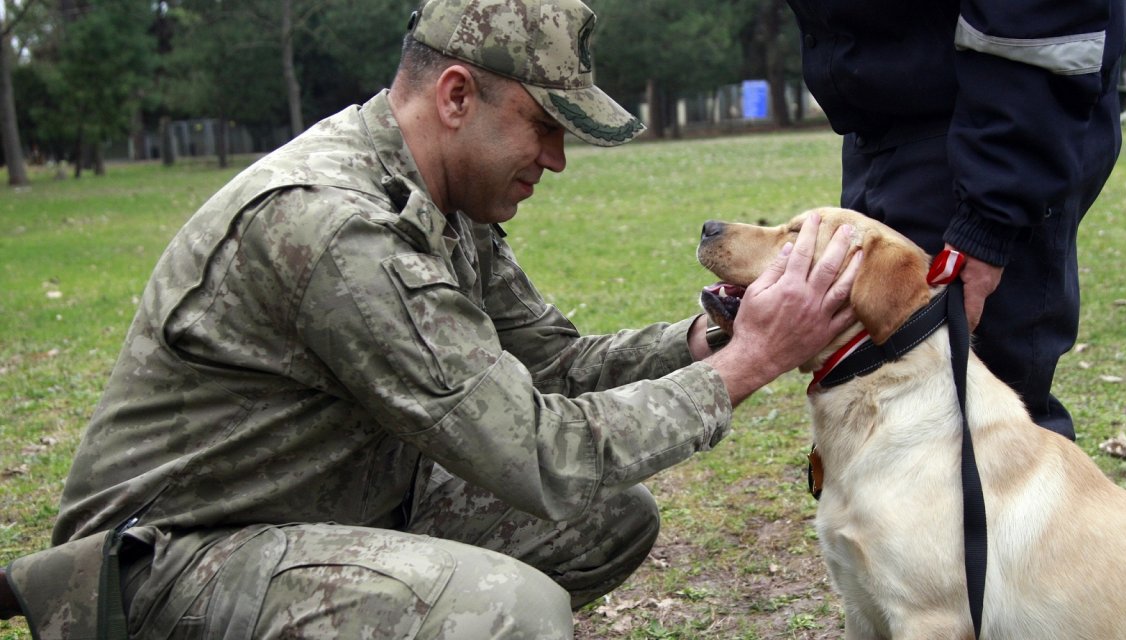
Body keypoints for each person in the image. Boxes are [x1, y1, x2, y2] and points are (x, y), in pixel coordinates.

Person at [1, 0, 861, 638]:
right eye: (544, 126)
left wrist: (707, 337)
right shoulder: (338, 227)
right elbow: (540, 453)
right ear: (456, 96)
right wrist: (747, 365)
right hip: (163, 568)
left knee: (610, 519)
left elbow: (552, 366)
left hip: (315, 511)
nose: (557, 161)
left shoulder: (444, 200)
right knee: (511, 613)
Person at [783, 0, 1126, 439]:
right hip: (885, 124)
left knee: (975, 419)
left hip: (986, 126)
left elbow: (1041, 18)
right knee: (884, 392)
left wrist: (990, 218)